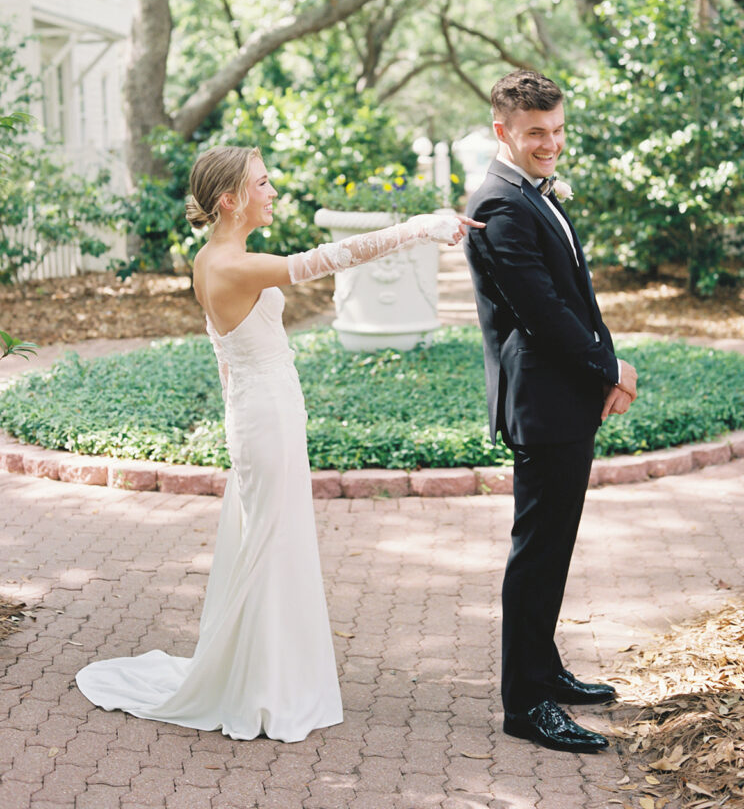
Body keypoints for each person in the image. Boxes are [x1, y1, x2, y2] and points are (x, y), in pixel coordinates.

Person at [76, 144, 481, 743]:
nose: (273, 192)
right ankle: (264, 691)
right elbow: (331, 257)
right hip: (264, 415)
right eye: (263, 183)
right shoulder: (232, 265)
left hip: (259, 411)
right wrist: (419, 228)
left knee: (269, 540)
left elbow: (225, 358)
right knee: (271, 545)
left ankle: (267, 677)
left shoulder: (209, 258)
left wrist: (239, 414)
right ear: (229, 200)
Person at [464, 70, 638, 754]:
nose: (551, 144)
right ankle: (526, 703)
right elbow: (543, 316)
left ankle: (544, 670)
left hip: (568, 396)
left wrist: (606, 366)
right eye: (537, 133)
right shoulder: (500, 206)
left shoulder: (533, 194)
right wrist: (609, 369)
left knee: (554, 548)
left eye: (558, 130)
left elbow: (580, 300)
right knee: (536, 555)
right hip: (541, 402)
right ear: (503, 130)